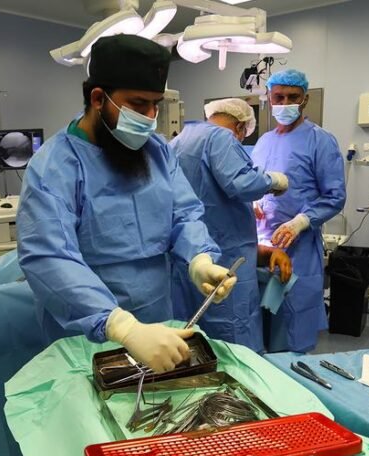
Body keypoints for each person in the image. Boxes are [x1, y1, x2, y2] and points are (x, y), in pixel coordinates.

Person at [17, 34, 237, 374]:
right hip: (86, 331)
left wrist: (199, 260)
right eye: (138, 104)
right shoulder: (55, 166)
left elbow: (184, 214)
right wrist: (121, 327)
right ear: (98, 98)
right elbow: (49, 257)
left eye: (156, 104)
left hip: (157, 319)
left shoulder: (158, 152)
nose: (150, 116)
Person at [169, 98, 290, 352]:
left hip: (189, 257)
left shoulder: (178, 141)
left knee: (195, 333)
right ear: (240, 126)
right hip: (226, 256)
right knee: (234, 332)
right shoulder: (222, 138)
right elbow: (241, 183)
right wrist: (272, 181)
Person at [251, 69, 346, 353]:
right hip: (263, 245)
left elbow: (335, 196)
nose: (285, 102)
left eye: (293, 97)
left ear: (304, 99)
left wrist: (300, 222)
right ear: (268, 98)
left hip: (299, 247)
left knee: (292, 323)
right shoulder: (264, 141)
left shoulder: (320, 140)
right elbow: (255, 181)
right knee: (263, 318)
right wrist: (254, 202)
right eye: (279, 97)